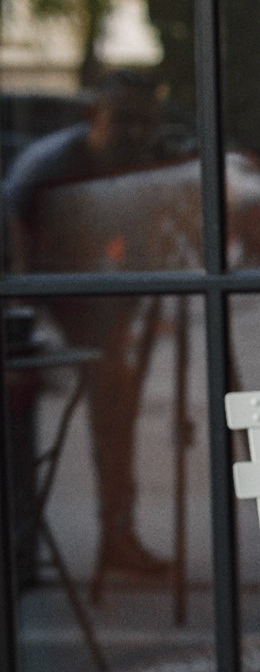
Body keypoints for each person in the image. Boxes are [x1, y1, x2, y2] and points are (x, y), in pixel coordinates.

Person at [2, 69, 174, 578]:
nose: (136, 133)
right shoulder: (48, 166)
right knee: (29, 420)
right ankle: (24, 548)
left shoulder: (139, 162)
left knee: (115, 416)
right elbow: (16, 247)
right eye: (124, 120)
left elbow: (142, 243)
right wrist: (27, 319)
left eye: (146, 122)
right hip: (38, 296)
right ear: (93, 115)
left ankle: (117, 536)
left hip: (95, 297)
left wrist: (134, 309)